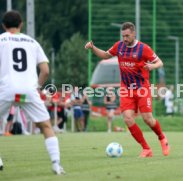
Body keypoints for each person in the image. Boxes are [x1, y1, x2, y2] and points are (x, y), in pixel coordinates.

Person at [85, 22, 170, 157]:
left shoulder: (144, 48)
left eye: (127, 36)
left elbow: (160, 62)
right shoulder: (119, 46)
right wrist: (93, 47)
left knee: (148, 119)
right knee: (127, 118)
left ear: (134, 34)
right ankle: (146, 149)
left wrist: (152, 66)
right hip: (126, 89)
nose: (125, 38)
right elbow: (105, 55)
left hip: (142, 88)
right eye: (123, 36)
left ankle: (162, 138)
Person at [0, 11, 65, 174]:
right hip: (28, 90)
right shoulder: (32, 42)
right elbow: (45, 70)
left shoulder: (1, 40)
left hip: (6, 89)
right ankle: (56, 164)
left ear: (3, 25)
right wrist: (36, 86)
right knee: (46, 126)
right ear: (21, 24)